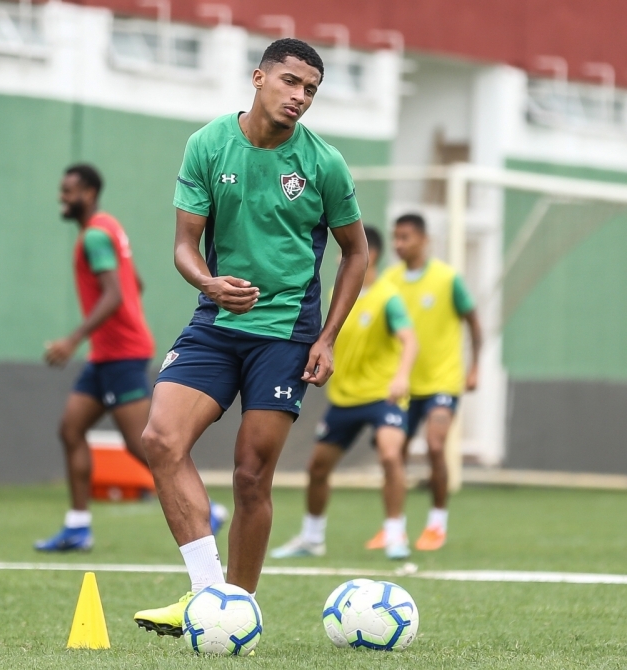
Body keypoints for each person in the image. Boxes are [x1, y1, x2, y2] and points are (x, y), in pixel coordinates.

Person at [131, 38, 369, 637]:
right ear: (259, 77)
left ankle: (240, 607)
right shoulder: (208, 144)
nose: (300, 97)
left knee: (249, 475)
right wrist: (209, 283)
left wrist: (328, 338)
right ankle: (213, 600)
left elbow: (357, 254)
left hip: (286, 335)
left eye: (311, 90)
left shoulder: (324, 164)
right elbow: (185, 245)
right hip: (215, 324)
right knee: (161, 439)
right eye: (291, 82)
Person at [36, 164, 226, 552]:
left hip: (121, 354)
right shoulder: (110, 227)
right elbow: (132, 283)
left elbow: (114, 294)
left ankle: (211, 511)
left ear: (88, 193)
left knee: (148, 444)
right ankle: (77, 526)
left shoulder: (94, 237)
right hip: (108, 353)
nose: (62, 198)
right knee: (71, 429)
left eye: (68, 191)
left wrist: (72, 340)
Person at [271, 226, 418, 561]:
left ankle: (395, 534)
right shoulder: (341, 295)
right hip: (345, 399)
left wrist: (401, 377)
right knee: (318, 467)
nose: (339, 256)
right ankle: (312, 538)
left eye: (344, 250)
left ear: (371, 254)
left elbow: (410, 340)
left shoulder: (388, 297)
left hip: (384, 396)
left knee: (390, 454)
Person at [366, 212, 482, 552]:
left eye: (406, 238)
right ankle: (394, 529)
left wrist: (474, 368)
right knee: (394, 455)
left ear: (424, 239)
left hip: (443, 381)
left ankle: (436, 524)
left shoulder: (447, 279)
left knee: (434, 445)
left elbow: (474, 322)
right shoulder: (390, 280)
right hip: (403, 386)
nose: (399, 244)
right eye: (396, 238)